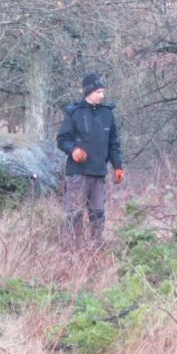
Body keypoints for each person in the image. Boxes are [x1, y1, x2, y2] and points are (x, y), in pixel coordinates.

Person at [56, 72, 124, 241]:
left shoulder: (107, 114)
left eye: (103, 91)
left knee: (98, 214)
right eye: (99, 92)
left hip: (99, 174)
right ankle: (72, 249)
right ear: (89, 92)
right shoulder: (74, 113)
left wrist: (118, 166)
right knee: (75, 214)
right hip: (77, 174)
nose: (102, 95)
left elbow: (113, 144)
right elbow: (62, 139)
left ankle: (96, 249)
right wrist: (73, 150)